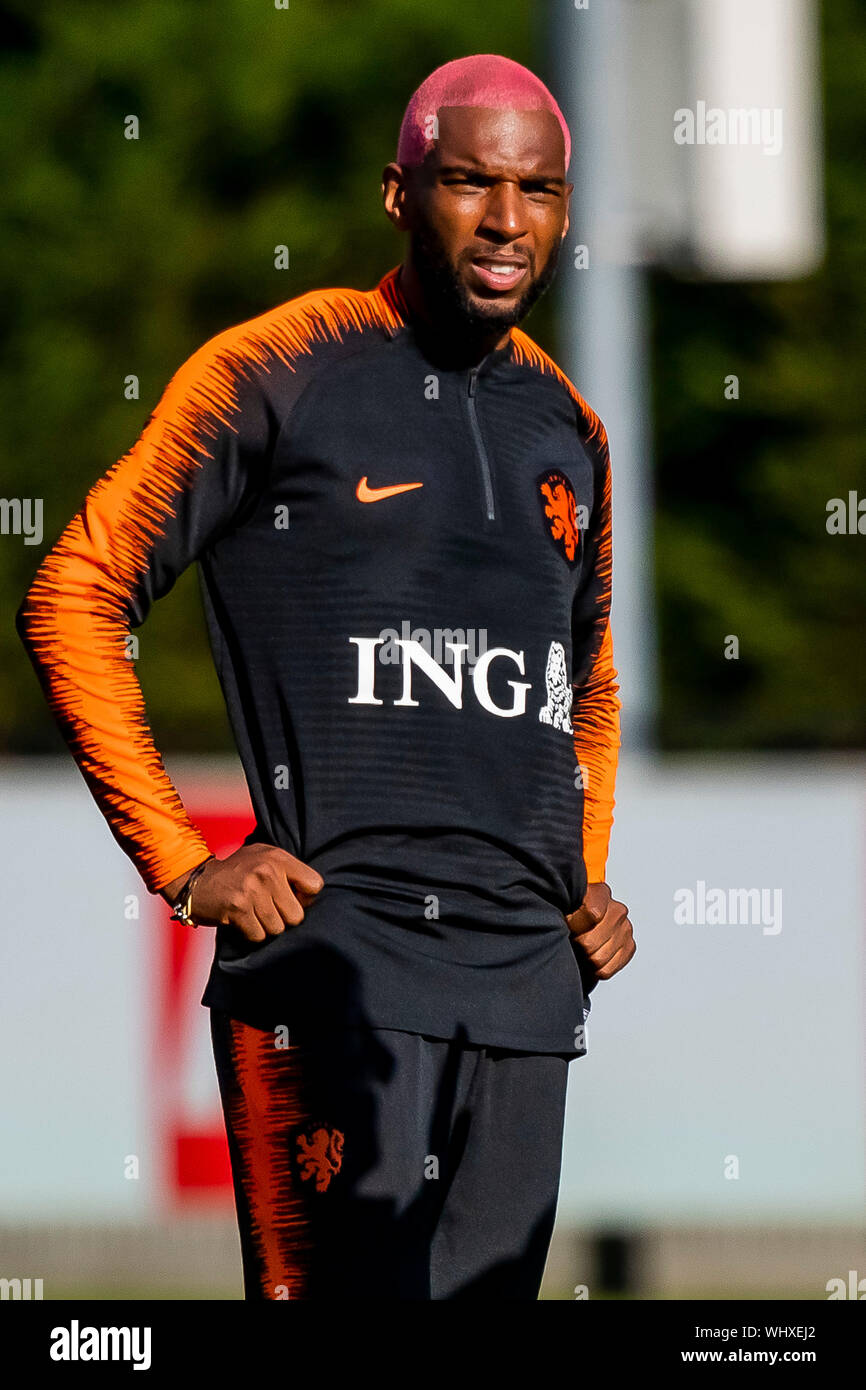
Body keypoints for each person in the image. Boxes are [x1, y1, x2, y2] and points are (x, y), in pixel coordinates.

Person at [16, 53, 635, 1300]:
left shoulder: (570, 429)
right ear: (399, 194)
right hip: (332, 976)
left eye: (539, 190)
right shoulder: (278, 369)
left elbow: (590, 684)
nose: (507, 221)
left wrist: (583, 877)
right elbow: (76, 590)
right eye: (468, 182)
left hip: (523, 993)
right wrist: (186, 862)